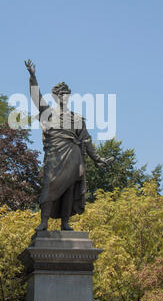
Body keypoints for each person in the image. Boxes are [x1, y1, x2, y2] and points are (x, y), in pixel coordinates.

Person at [25, 59, 113, 231]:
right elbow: (36, 97)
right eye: (61, 94)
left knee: (68, 190)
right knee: (49, 185)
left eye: (67, 94)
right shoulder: (48, 113)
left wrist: (98, 159)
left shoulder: (77, 118)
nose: (64, 97)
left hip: (73, 155)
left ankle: (65, 222)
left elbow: (86, 140)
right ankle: (44, 222)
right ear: (55, 96)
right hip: (55, 155)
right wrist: (32, 76)